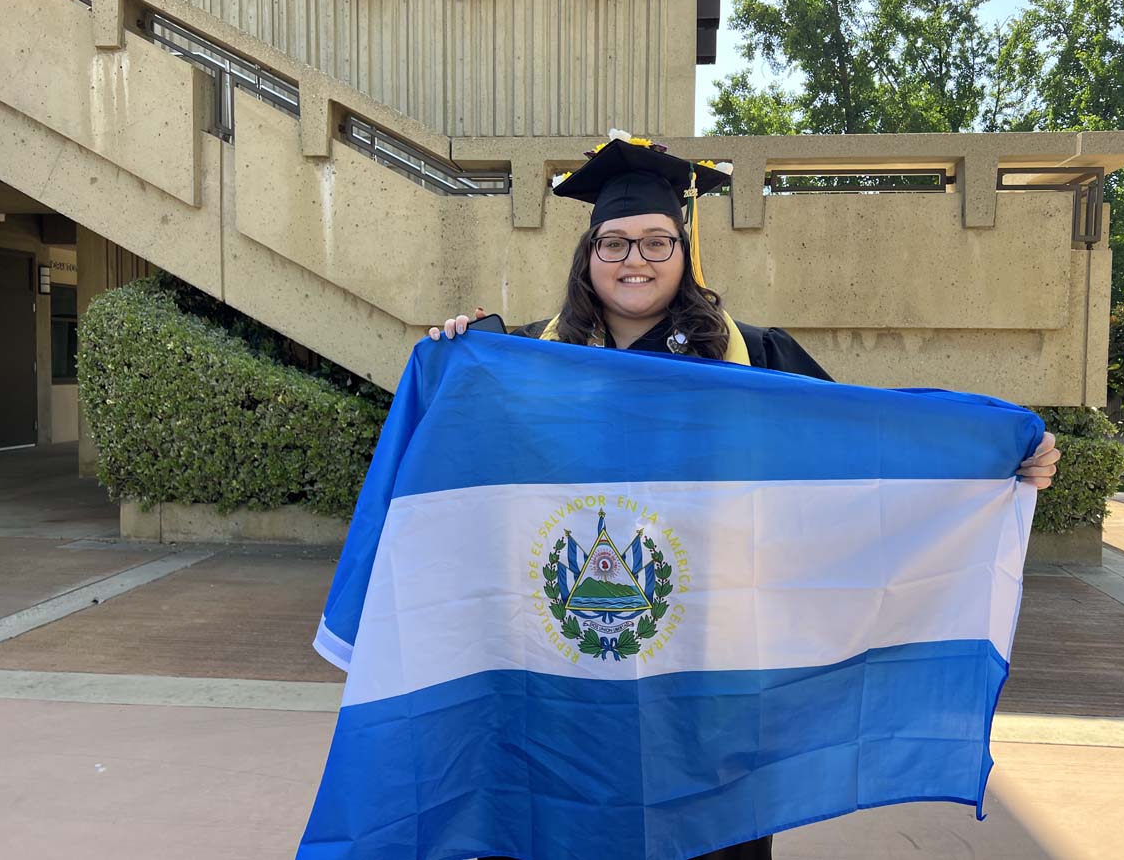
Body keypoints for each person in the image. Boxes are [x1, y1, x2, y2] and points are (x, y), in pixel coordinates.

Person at [428, 134, 1060, 860]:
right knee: (572, 812)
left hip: (715, 654)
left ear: (684, 252)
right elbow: (460, 458)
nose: (636, 260)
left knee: (708, 825)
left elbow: (865, 451)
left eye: (657, 242)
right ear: (588, 255)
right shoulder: (530, 361)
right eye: (615, 243)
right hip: (576, 651)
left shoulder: (754, 358)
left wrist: (995, 456)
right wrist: (455, 354)